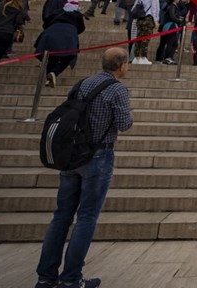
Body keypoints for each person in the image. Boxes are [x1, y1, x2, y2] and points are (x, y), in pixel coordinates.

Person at [35, 46, 133, 288]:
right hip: (98, 156)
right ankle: (70, 279)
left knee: (61, 215)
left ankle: (45, 277)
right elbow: (124, 123)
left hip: (71, 155)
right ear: (122, 66)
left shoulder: (82, 83)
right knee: (86, 217)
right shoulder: (117, 89)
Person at [34, 0, 86, 87]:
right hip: (69, 35)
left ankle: (49, 77)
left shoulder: (57, 12)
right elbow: (82, 28)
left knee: (51, 56)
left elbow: (46, 22)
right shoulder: (77, 14)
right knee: (68, 57)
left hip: (50, 33)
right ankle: (54, 72)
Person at [131, 0, 160, 65]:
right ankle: (143, 57)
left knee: (139, 38)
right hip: (148, 19)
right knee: (146, 39)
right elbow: (154, 10)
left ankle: (136, 57)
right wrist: (156, 21)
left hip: (140, 19)